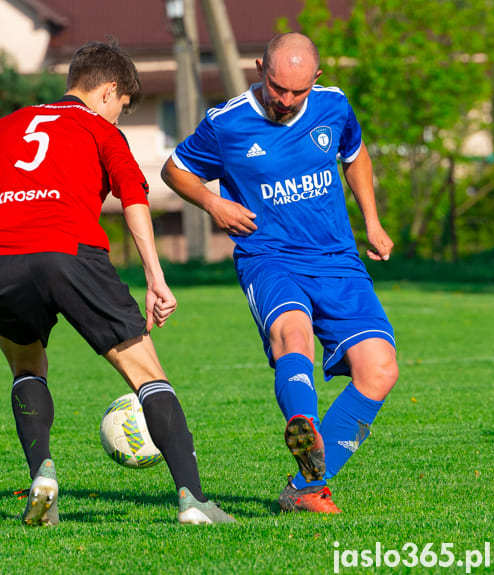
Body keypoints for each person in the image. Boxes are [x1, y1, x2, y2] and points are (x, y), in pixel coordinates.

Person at [0, 41, 234, 526]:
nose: (118, 120)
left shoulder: (6, 127)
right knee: (146, 373)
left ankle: (42, 473)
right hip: (70, 254)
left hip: (1, 260)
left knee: (27, 366)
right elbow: (134, 194)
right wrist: (155, 276)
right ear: (108, 91)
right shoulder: (98, 129)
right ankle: (194, 501)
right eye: (122, 110)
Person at [161, 32, 399, 514]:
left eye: (297, 91)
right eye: (276, 87)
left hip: (337, 259)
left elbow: (355, 156)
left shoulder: (334, 107)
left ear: (317, 78)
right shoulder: (226, 124)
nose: (286, 100)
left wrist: (371, 221)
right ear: (259, 69)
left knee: (380, 370)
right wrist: (212, 202)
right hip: (269, 257)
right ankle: (304, 428)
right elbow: (174, 169)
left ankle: (305, 488)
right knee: (293, 336)